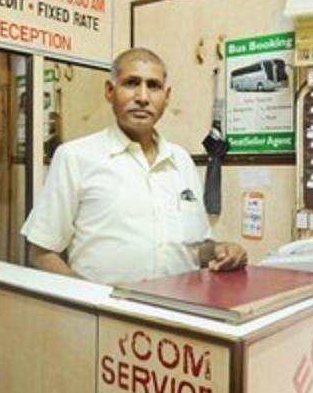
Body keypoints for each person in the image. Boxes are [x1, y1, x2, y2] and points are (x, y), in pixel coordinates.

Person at [22, 47, 247, 285]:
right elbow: (41, 254)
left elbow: (197, 249)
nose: (142, 97)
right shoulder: (75, 157)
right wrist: (90, 300)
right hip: (107, 316)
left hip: (181, 311)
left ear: (167, 96)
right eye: (131, 83)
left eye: (153, 86)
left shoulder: (181, 160)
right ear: (110, 91)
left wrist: (221, 251)